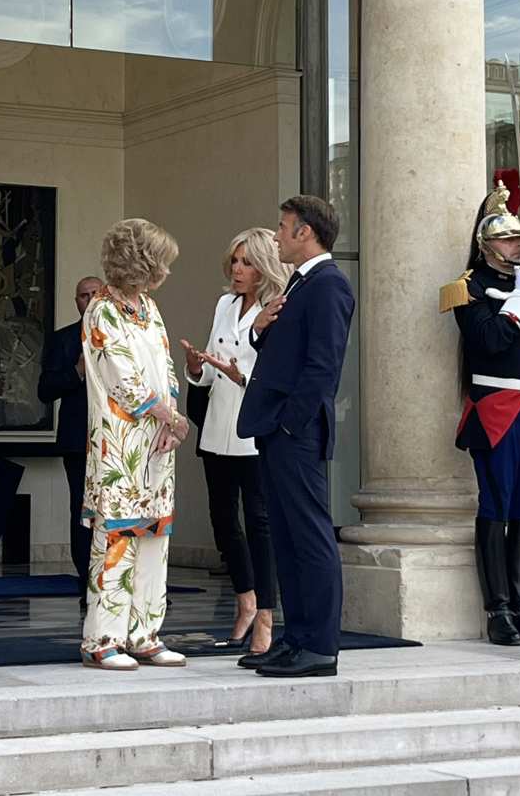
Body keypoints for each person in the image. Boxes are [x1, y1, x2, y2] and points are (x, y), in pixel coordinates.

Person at [236, 195, 354, 678]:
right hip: (277, 429)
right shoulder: (302, 284)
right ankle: (296, 637)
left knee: (309, 536)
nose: (278, 236)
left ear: (305, 232)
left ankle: (320, 646)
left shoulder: (329, 285)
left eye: (283, 228)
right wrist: (260, 331)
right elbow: (290, 350)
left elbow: (323, 367)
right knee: (285, 537)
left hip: (295, 432)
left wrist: (290, 422)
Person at [442, 179, 520, 646]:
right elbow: (486, 342)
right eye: (507, 238)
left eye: (518, 237)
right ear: (486, 246)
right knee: (497, 504)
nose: (516, 244)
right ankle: (498, 610)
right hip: (498, 407)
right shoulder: (468, 289)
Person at [80, 218, 189, 670]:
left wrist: (173, 419)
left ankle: (144, 633)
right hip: (119, 443)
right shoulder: (101, 310)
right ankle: (102, 638)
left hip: (157, 443)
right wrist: (169, 417)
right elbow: (122, 377)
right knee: (118, 538)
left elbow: (164, 366)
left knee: (153, 536)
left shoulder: (149, 307)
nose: (166, 270)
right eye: (161, 261)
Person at [181, 228, 289, 655]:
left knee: (259, 523)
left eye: (246, 262)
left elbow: (269, 373)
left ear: (264, 265)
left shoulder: (277, 307)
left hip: (253, 428)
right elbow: (209, 370)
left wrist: (235, 373)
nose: (238, 270)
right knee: (223, 521)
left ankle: (266, 612)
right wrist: (195, 367)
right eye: (235, 261)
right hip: (218, 426)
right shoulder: (224, 304)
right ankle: (244, 599)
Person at [38, 275, 104, 609]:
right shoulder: (63, 339)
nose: (90, 300)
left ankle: (117, 582)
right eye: (83, 296)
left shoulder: (124, 334)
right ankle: (87, 583)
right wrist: (76, 372)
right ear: (75, 301)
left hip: (116, 441)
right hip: (78, 440)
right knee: (82, 512)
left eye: (96, 293)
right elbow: (45, 390)